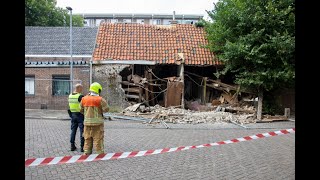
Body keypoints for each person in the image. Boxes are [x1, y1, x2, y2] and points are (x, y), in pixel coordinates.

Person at [80, 82, 109, 155]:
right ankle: (100, 154)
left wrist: (87, 115)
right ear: (98, 90)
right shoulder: (100, 99)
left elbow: (80, 110)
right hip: (98, 124)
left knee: (87, 139)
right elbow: (106, 109)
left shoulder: (84, 99)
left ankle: (86, 154)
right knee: (98, 139)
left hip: (87, 123)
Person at [68, 83, 85, 152]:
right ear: (78, 88)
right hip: (80, 115)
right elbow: (84, 105)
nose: (82, 90)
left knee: (73, 131)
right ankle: (82, 147)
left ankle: (72, 146)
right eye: (81, 88)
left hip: (73, 115)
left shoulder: (70, 95)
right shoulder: (80, 96)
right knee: (82, 131)